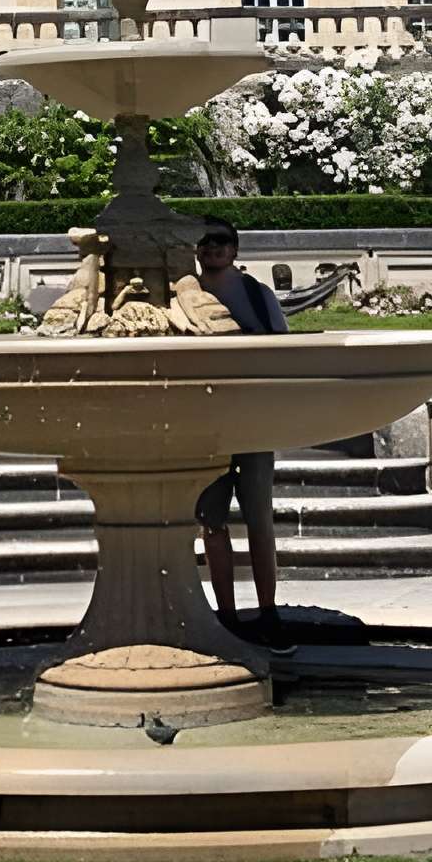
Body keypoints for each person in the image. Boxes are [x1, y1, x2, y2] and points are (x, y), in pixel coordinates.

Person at [191, 220, 288, 630]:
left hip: (253, 422)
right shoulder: (186, 295)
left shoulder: (257, 294)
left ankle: (268, 612)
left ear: (235, 249)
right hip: (206, 425)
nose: (213, 247)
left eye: (222, 241)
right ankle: (226, 616)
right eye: (205, 241)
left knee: (259, 522)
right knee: (212, 524)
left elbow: (282, 352)